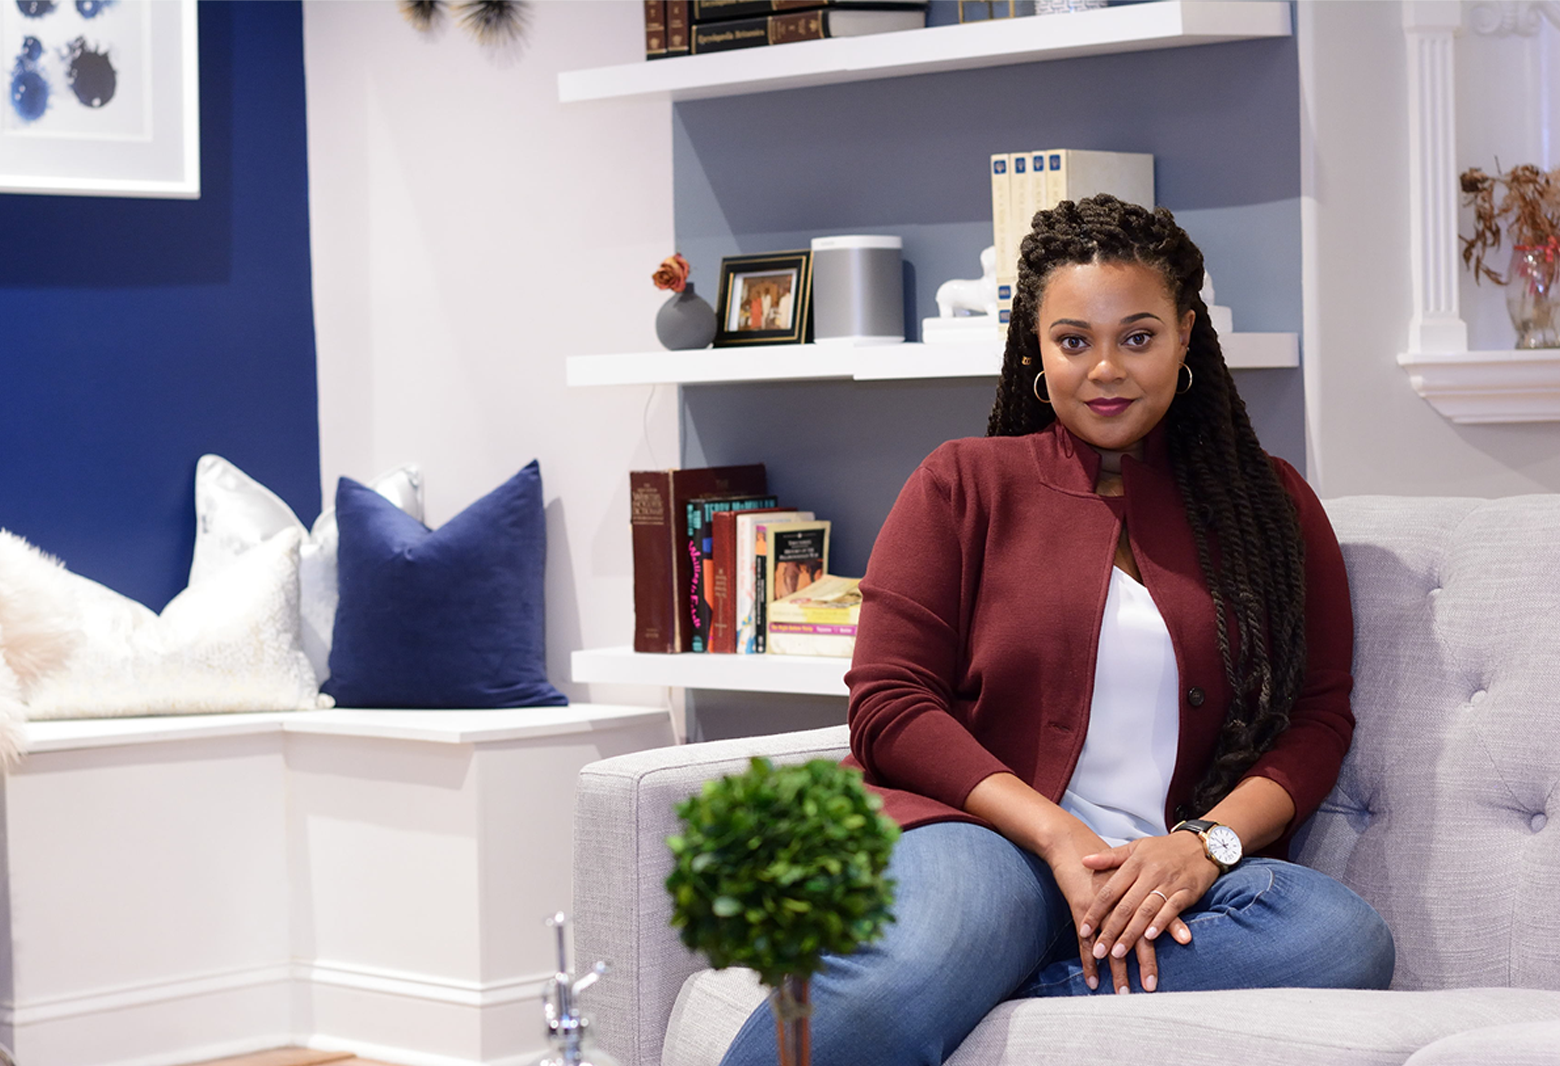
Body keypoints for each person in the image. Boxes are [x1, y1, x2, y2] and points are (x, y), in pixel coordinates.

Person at [719, 195, 1395, 1066]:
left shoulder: (1270, 503)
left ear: (1188, 334)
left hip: (1162, 872)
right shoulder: (965, 482)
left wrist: (1204, 847)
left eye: (1139, 336)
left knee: (1337, 935)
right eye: (1074, 340)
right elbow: (888, 704)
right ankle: (972, 961)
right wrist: (1057, 836)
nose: (1105, 369)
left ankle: (991, 988)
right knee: (939, 939)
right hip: (983, 841)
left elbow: (1318, 718)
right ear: (1035, 346)